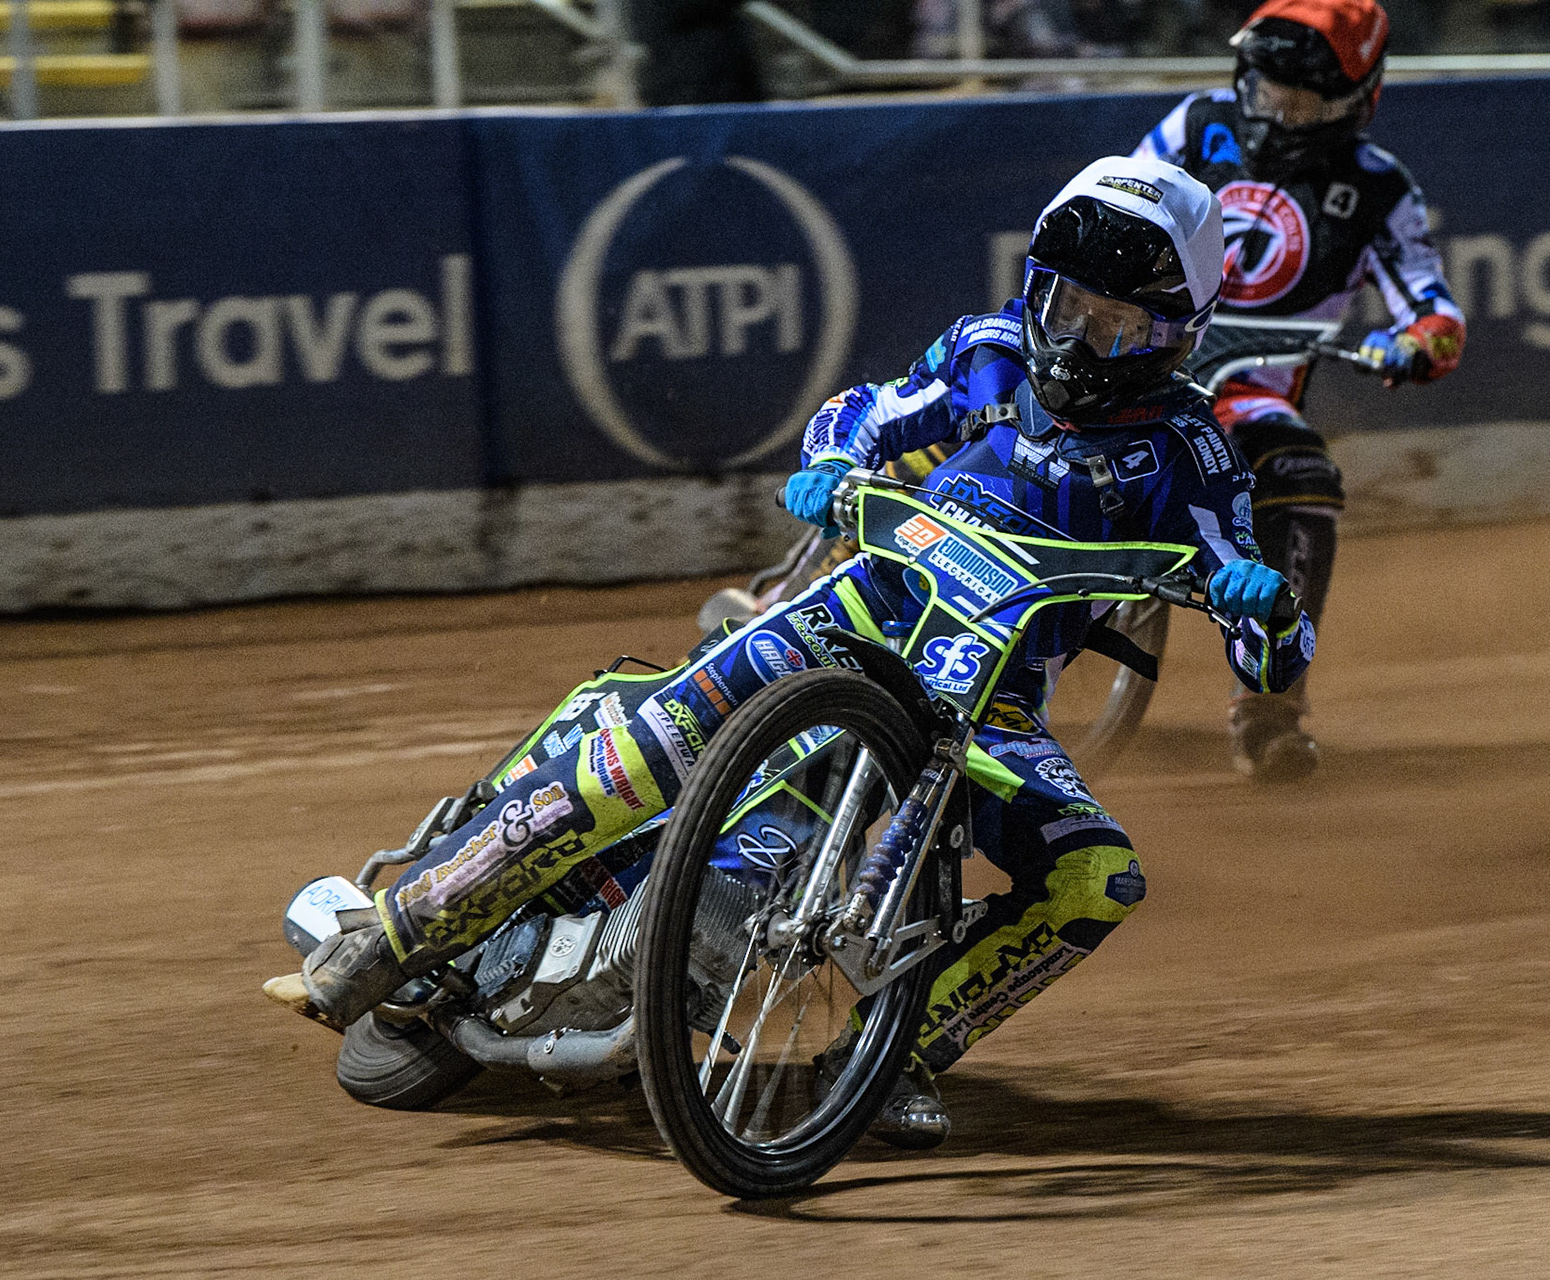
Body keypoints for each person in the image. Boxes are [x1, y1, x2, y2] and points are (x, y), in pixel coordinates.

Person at [265, 155, 1312, 1149]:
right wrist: (831, 462)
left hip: (989, 702)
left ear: (1175, 332)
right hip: (853, 612)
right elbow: (864, 412)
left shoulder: (1193, 450)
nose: (1077, 338)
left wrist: (1262, 610)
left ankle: (891, 1046)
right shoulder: (989, 350)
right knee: (658, 731)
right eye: (1064, 304)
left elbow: (1261, 629)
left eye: (1115, 321)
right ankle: (402, 932)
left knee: (1098, 877)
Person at [1135, 0, 1464, 780]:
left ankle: (1271, 705)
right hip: (1128, 349)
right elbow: (1115, 202)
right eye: (1265, 87)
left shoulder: (1378, 187)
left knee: (1302, 475)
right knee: (980, 394)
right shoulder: (1192, 124)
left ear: (1358, 100)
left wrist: (1420, 342)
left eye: (1302, 98)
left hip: (1241, 392)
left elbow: (1433, 303)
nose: (1277, 111)